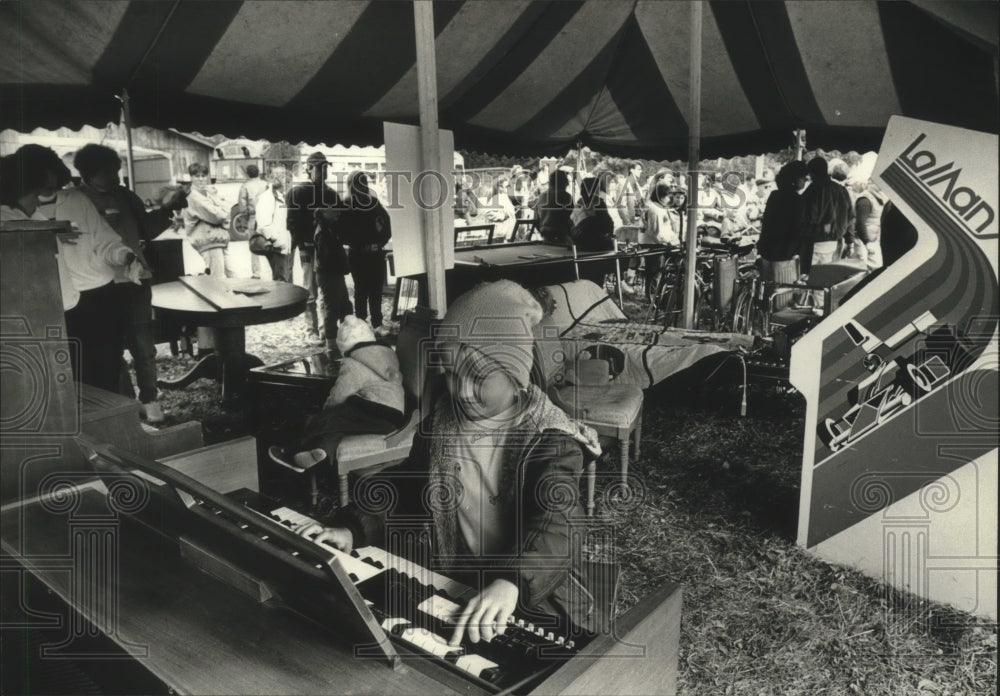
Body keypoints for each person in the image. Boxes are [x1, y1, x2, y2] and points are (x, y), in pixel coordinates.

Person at [293, 280, 604, 645]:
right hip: (464, 582)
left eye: (479, 378)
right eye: (454, 375)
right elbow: (408, 485)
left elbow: (557, 519)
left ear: (516, 374)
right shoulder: (443, 422)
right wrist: (352, 527)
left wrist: (512, 582)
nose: (463, 391)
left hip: (538, 594)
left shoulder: (549, 438)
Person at [0, 146, 140, 393]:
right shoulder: (14, 216)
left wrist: (125, 256)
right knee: (69, 374)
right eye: (41, 189)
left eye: (54, 186)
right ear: (27, 184)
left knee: (106, 368)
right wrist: (52, 236)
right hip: (54, 305)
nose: (46, 194)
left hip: (96, 296)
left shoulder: (75, 200)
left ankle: (111, 418)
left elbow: (107, 241)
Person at [268, 316, 406, 507]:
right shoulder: (385, 354)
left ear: (345, 346)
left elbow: (340, 395)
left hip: (374, 411)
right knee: (339, 426)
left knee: (331, 418)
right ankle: (321, 450)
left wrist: (325, 413)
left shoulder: (354, 363)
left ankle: (292, 450)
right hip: (395, 415)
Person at [73, 144, 165, 423]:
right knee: (110, 346)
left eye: (116, 170)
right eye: (106, 172)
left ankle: (150, 399)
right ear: (88, 174)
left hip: (135, 279)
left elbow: (148, 229)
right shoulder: (76, 201)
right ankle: (121, 403)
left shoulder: (125, 195)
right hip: (102, 286)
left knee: (144, 344)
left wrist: (168, 210)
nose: (115, 177)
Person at [286, 152, 342, 343]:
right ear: (308, 169)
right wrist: (302, 244)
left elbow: (340, 220)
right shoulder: (298, 192)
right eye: (319, 167)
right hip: (308, 248)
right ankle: (310, 331)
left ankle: (325, 328)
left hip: (326, 250)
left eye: (325, 167)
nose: (323, 171)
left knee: (327, 289)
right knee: (310, 289)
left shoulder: (331, 194)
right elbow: (292, 224)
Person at [338, 171, 392, 336]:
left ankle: (365, 325)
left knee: (362, 291)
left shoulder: (347, 204)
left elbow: (342, 233)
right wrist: (378, 243)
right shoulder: (372, 203)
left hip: (358, 254)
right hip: (372, 254)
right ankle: (375, 325)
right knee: (372, 291)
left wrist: (357, 243)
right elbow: (387, 228)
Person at [756, 160, 808, 285]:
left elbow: (766, 224)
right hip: (785, 255)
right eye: (803, 177)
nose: (805, 181)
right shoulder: (798, 200)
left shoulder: (774, 196)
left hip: (767, 252)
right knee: (783, 297)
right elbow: (797, 229)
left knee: (768, 293)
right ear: (794, 179)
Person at [799, 157, 852, 273]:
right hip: (835, 243)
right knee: (826, 279)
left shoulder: (812, 191)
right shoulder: (841, 190)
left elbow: (806, 218)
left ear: (812, 173)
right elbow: (851, 216)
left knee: (810, 280)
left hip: (814, 243)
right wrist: (849, 240)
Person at [182, 162, 233, 279]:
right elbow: (218, 216)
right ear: (191, 178)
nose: (201, 179)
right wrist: (221, 211)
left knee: (233, 277)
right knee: (218, 281)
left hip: (218, 239)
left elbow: (227, 211)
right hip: (209, 242)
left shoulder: (207, 194)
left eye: (203, 176)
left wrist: (215, 197)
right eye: (197, 176)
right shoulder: (194, 197)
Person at [569, 177, 615, 287]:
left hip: (578, 245)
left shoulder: (577, 204)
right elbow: (609, 225)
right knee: (596, 280)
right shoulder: (598, 203)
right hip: (596, 247)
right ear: (595, 190)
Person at [640, 179, 681, 300]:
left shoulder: (658, 208)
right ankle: (652, 296)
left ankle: (656, 294)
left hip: (658, 242)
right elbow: (655, 232)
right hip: (654, 243)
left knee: (655, 271)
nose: (670, 199)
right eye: (668, 196)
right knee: (654, 271)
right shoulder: (655, 209)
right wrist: (668, 242)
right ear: (662, 196)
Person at [253, 170, 292, 282]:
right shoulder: (267, 198)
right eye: (286, 180)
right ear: (278, 181)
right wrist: (278, 241)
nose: (288, 184)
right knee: (280, 279)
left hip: (281, 245)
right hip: (277, 247)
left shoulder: (279, 196)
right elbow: (264, 224)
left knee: (282, 278)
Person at [238, 164, 269, 279]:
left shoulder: (245, 186)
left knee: (254, 244)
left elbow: (242, 206)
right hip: (267, 218)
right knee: (269, 243)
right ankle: (272, 268)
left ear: (247, 174)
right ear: (258, 172)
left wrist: (244, 221)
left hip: (253, 217)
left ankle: (257, 273)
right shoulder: (266, 184)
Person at [853, 180, 887, 270]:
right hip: (862, 241)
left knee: (875, 266)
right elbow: (860, 223)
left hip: (872, 240)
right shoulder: (866, 200)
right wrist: (867, 242)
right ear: (871, 183)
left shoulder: (878, 198)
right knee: (859, 270)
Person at [532, 169, 574, 244]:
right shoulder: (566, 197)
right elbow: (571, 220)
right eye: (566, 181)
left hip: (545, 237)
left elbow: (536, 220)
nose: (567, 183)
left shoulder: (542, 196)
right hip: (561, 238)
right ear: (562, 182)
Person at [485, 176, 517, 243]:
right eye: (507, 186)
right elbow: (488, 213)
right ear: (500, 187)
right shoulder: (496, 198)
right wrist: (502, 216)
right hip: (500, 236)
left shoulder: (508, 199)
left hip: (510, 234)